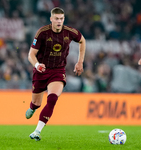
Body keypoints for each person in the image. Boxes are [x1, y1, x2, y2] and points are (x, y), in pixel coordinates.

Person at [25, 7, 86, 141]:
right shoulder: (42, 33)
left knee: (52, 99)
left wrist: (80, 61)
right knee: (37, 103)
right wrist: (37, 65)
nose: (59, 21)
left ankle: (37, 132)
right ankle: (33, 107)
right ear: (51, 19)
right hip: (41, 70)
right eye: (56, 19)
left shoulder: (70, 32)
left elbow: (82, 40)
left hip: (58, 71)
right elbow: (31, 55)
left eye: (61, 19)